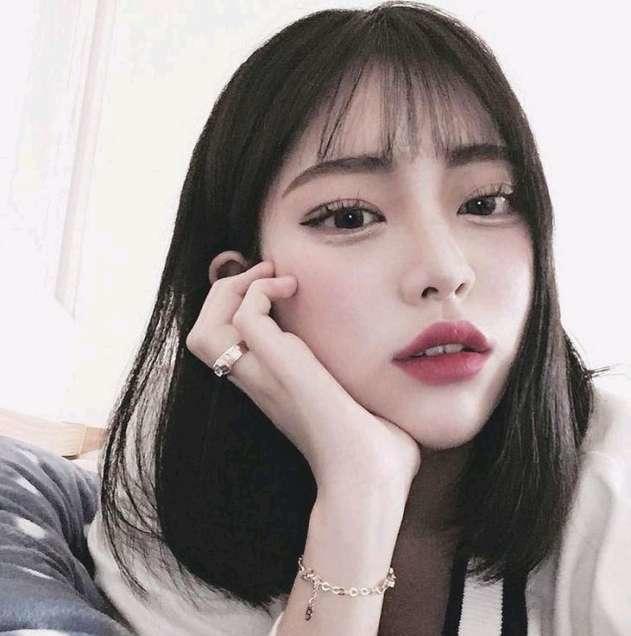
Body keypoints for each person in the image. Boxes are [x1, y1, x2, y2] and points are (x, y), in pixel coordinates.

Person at [87, 1, 631, 634]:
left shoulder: (615, 482)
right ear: (242, 288)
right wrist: (360, 494)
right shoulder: (171, 488)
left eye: (487, 203)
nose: (444, 268)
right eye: (350, 217)